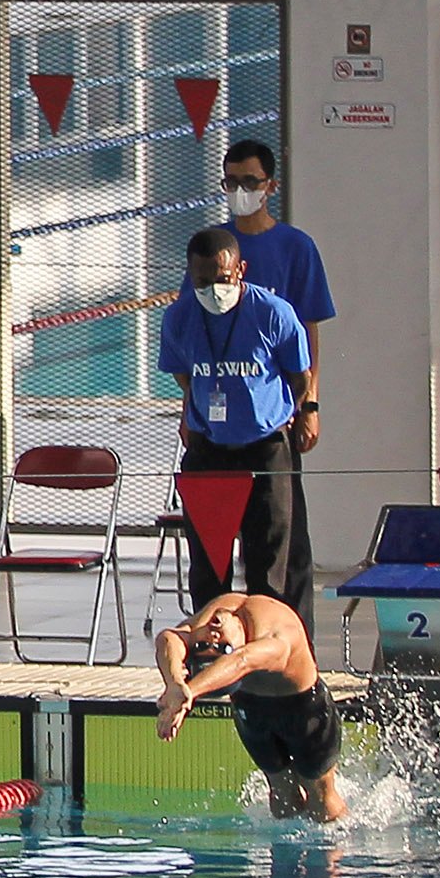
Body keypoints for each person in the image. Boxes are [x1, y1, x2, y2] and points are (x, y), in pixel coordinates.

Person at [154, 225, 315, 614]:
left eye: (222, 279)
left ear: (240, 270)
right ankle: (210, 652)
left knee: (269, 563)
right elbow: (184, 374)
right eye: (202, 281)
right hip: (209, 449)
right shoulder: (180, 318)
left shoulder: (273, 314)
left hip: (265, 448)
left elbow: (300, 375)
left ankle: (267, 656)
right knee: (209, 563)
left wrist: (291, 412)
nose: (213, 289)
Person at [220, 140, 335, 594]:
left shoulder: (294, 247)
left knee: (284, 537)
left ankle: (293, 640)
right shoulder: (216, 246)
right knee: (219, 538)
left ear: (271, 186)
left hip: (275, 416)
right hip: (221, 419)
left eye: (250, 182)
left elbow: (309, 332)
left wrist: (310, 403)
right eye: (232, 182)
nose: (240, 191)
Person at [154, 588, 347, 821]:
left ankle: (332, 851)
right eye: (215, 647)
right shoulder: (251, 631)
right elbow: (173, 640)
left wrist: (182, 690)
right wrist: (178, 687)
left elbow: (238, 660)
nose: (211, 637)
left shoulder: (272, 637)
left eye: (204, 645)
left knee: (320, 797)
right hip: (253, 710)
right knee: (281, 793)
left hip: (304, 710)